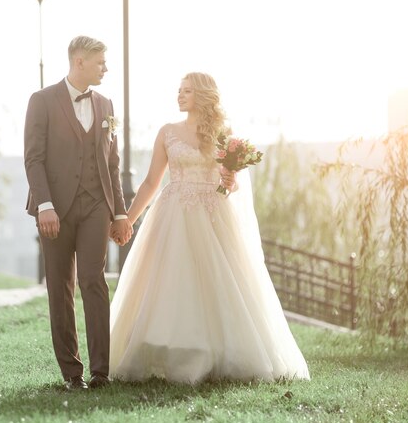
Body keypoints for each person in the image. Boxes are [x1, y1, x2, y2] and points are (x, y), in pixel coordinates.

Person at [108, 72, 310, 383]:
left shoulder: (222, 134)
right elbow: (151, 182)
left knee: (220, 282)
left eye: (186, 91)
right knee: (174, 284)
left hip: (214, 216)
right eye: (178, 90)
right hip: (174, 214)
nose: (179, 95)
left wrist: (230, 181)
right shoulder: (167, 132)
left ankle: (221, 354)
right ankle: (170, 350)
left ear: (202, 95)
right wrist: (128, 219)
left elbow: (230, 185)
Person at [24, 35, 133, 391]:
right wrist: (45, 205)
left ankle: (101, 372)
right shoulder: (41, 101)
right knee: (61, 287)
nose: (106, 68)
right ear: (79, 62)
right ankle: (72, 374)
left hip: (96, 206)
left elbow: (112, 164)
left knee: (93, 280)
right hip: (54, 208)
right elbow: (34, 158)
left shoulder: (106, 104)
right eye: (100, 62)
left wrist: (119, 213)